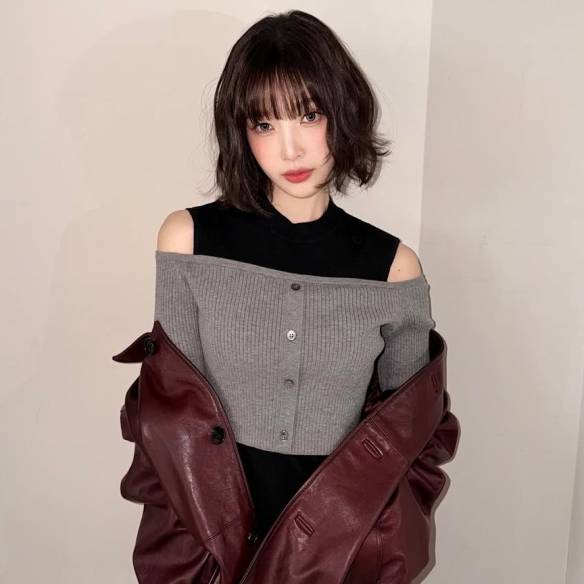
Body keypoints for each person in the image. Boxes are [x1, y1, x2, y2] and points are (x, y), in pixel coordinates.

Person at [155, 9, 431, 544]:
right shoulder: (188, 241)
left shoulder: (393, 268)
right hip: (213, 536)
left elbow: (407, 435)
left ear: (343, 112)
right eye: (264, 124)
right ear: (241, 132)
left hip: (338, 546)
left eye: (308, 115)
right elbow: (174, 413)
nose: (290, 149)